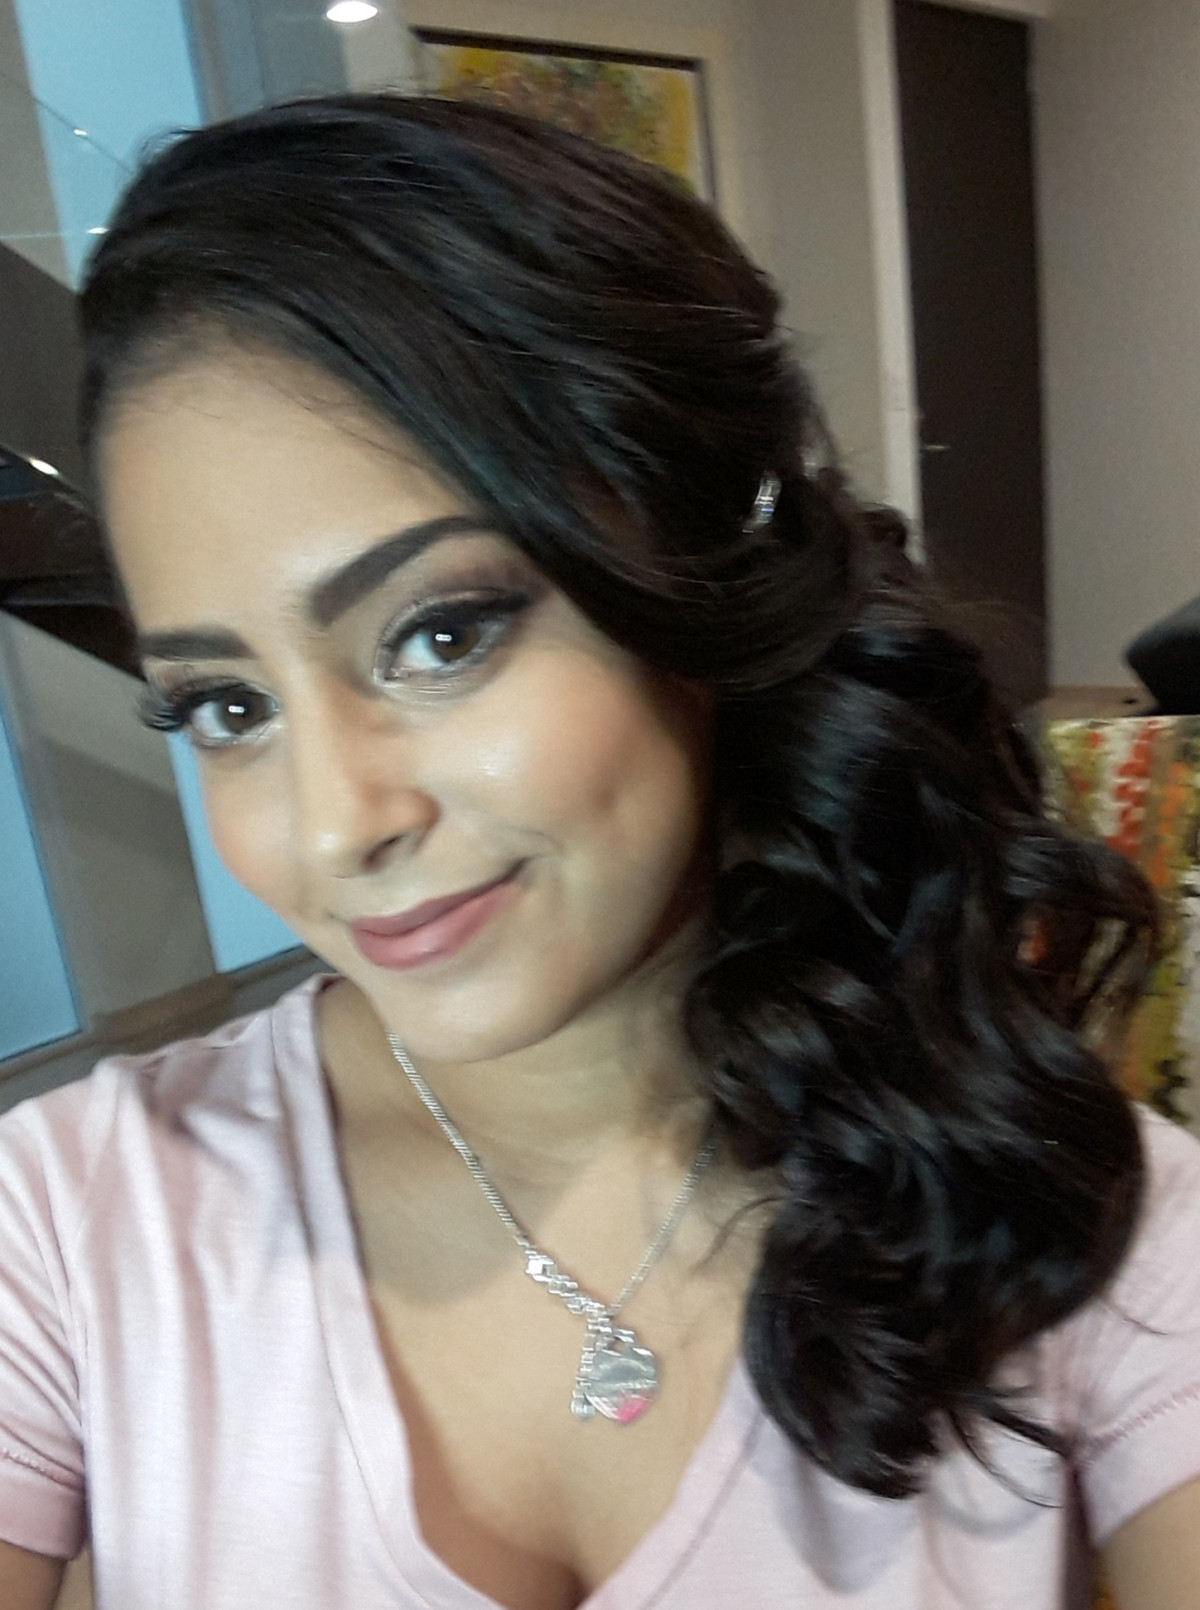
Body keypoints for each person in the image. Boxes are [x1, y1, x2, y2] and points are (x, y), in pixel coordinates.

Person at [0, 95, 1197, 1610]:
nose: (336, 821)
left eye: (441, 634)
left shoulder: (1071, 1212)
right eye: (228, 707)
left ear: (704, 583)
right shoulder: (65, 1223)